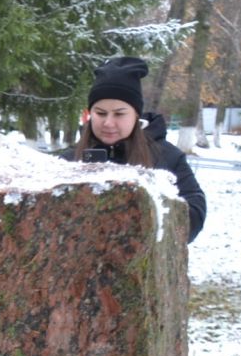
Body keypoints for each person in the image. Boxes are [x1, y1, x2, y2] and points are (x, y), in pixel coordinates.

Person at [63, 57, 207, 243]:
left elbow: (194, 211)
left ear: (136, 115)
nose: (108, 123)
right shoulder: (70, 159)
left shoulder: (166, 157)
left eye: (119, 114)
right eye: (100, 113)